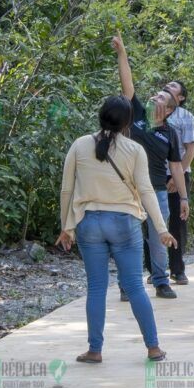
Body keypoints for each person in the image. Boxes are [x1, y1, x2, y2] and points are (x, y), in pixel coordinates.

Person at [56, 96, 177, 363]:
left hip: (89, 223)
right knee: (134, 286)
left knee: (96, 288)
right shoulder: (134, 150)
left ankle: (95, 350)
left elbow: (67, 189)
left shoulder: (80, 145)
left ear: (100, 116)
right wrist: (162, 228)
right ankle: (153, 347)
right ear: (128, 123)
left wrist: (67, 227)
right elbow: (146, 190)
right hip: (124, 222)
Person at [112, 35, 188, 299]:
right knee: (128, 239)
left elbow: (176, 168)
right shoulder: (137, 117)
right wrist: (122, 52)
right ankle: (126, 284)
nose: (154, 97)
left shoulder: (170, 133)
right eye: (156, 94)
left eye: (160, 97)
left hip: (156, 191)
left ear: (168, 109)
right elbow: (127, 84)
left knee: (159, 237)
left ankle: (161, 281)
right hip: (128, 190)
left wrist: (183, 196)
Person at [164, 80, 194, 285]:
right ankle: (154, 269)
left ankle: (177, 268)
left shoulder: (186, 117)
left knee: (177, 222)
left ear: (181, 97)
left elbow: (190, 150)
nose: (168, 85)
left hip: (178, 173)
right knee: (154, 219)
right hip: (155, 173)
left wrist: (178, 177)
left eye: (174, 85)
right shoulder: (153, 112)